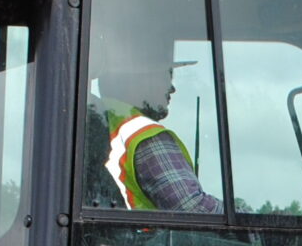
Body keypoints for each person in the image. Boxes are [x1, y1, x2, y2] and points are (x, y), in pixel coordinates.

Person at [89, 59, 220, 213]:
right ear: (138, 83)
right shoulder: (144, 134)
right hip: (138, 236)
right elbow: (193, 208)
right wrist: (243, 216)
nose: (172, 88)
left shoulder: (102, 117)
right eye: (166, 77)